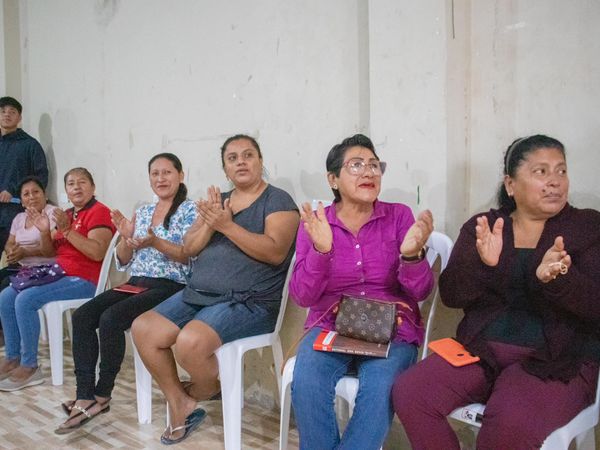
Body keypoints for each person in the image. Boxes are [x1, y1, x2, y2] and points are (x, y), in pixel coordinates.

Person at [393, 135, 600, 450]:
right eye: (541, 172)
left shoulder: (588, 227)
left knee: (508, 425)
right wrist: (486, 266)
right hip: (482, 352)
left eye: (561, 171)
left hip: (557, 361)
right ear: (510, 184)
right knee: (411, 392)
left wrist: (559, 279)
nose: (554, 182)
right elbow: (452, 295)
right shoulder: (485, 227)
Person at [131, 134, 299, 444]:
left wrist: (227, 226)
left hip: (250, 301)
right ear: (225, 169)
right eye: (232, 158)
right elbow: (189, 248)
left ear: (261, 161)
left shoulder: (278, 200)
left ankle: (204, 390)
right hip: (199, 294)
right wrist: (211, 222)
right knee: (144, 329)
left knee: (190, 342)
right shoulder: (217, 201)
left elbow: (275, 252)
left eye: (248, 155)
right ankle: (179, 401)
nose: (241, 162)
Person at [289, 134, 434, 450]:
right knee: (307, 383)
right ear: (333, 179)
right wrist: (321, 250)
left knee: (382, 387)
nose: (368, 172)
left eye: (374, 165)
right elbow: (302, 296)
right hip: (330, 325)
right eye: (356, 165)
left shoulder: (398, 216)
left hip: (393, 329)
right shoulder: (316, 223)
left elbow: (421, 290)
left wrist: (412, 257)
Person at [55, 153, 197, 433]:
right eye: (155, 174)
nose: (161, 179)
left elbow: (188, 257)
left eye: (167, 172)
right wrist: (127, 238)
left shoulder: (190, 210)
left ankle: (102, 394)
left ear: (181, 176)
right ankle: (84, 393)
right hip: (137, 281)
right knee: (83, 316)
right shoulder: (143, 211)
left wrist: (155, 242)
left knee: (111, 318)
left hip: (171, 284)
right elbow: (123, 259)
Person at [0, 167, 115, 391]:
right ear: (66, 191)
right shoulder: (67, 214)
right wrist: (45, 231)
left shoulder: (99, 212)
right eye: (71, 184)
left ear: (93, 187)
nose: (76, 187)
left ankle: (30, 366)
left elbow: (97, 252)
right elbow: (49, 252)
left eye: (82, 182)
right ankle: (12, 357)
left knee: (25, 300)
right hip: (57, 272)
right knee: (5, 297)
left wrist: (68, 230)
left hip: (85, 279)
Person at [0, 96, 48, 252]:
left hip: (15, 213)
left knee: (14, 257)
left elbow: (41, 178)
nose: (7, 114)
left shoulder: (30, 145)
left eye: (12, 112)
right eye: (3, 111)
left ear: (19, 118)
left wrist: (13, 191)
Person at [0, 176, 57, 291]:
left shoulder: (53, 213)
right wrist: (11, 251)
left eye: (36, 192)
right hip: (22, 267)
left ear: (45, 195)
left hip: (46, 268)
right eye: (26, 194)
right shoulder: (19, 218)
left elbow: (54, 247)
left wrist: (25, 252)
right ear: (21, 201)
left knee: (5, 284)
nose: (32, 197)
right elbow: (10, 242)